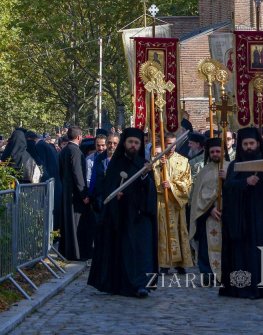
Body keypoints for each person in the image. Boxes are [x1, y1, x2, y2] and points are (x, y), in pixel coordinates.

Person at [219, 127, 263, 298]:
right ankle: (243, 288)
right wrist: (245, 182)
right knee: (243, 255)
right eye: (245, 144)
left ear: (258, 143)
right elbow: (228, 188)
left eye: (252, 143)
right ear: (241, 145)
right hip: (242, 219)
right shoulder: (235, 166)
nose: (249, 147)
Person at [88, 127, 157, 298]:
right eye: (130, 142)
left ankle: (142, 285)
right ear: (125, 143)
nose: (133, 145)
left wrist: (145, 177)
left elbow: (150, 192)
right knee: (125, 251)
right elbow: (107, 188)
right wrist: (115, 194)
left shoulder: (144, 165)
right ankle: (123, 283)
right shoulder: (115, 164)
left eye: (136, 143)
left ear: (140, 145)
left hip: (140, 216)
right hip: (121, 217)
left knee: (142, 252)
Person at [189, 137, 228, 284]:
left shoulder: (230, 168)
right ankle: (207, 273)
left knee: (225, 246)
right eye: (213, 152)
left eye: (218, 151)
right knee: (206, 247)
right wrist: (209, 209)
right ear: (209, 153)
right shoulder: (203, 172)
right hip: (208, 217)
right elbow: (197, 197)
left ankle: (225, 273)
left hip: (227, 215)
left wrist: (228, 178)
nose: (216, 154)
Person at [153, 132, 193, 273]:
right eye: (169, 144)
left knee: (179, 231)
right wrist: (158, 169)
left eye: (174, 144)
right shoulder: (156, 160)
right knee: (163, 232)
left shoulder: (183, 161)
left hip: (176, 203)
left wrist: (172, 185)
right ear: (164, 143)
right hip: (161, 202)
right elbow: (152, 182)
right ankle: (164, 263)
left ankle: (180, 263)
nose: (171, 147)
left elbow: (188, 183)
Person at [58, 125, 93, 260]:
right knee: (77, 225)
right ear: (79, 137)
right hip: (76, 195)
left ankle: (67, 251)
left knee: (68, 224)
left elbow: (61, 172)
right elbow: (78, 174)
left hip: (67, 192)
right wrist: (83, 194)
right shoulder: (76, 152)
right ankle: (77, 253)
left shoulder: (64, 150)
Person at [26, 130, 62, 227]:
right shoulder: (46, 145)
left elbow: (41, 168)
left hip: (51, 183)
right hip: (56, 182)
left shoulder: (39, 146)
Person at [89, 133, 120, 215]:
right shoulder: (99, 158)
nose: (112, 145)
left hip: (116, 200)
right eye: (109, 143)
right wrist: (90, 195)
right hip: (100, 199)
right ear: (106, 143)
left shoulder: (122, 159)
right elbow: (93, 178)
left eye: (115, 143)